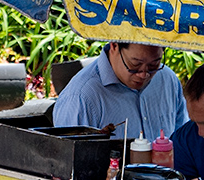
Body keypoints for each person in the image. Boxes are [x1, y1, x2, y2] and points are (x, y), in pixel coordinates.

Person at [52, 42, 187, 141]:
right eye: (135, 65)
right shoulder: (81, 98)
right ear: (114, 46)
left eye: (153, 65)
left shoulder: (168, 79)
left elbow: (183, 140)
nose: (143, 74)